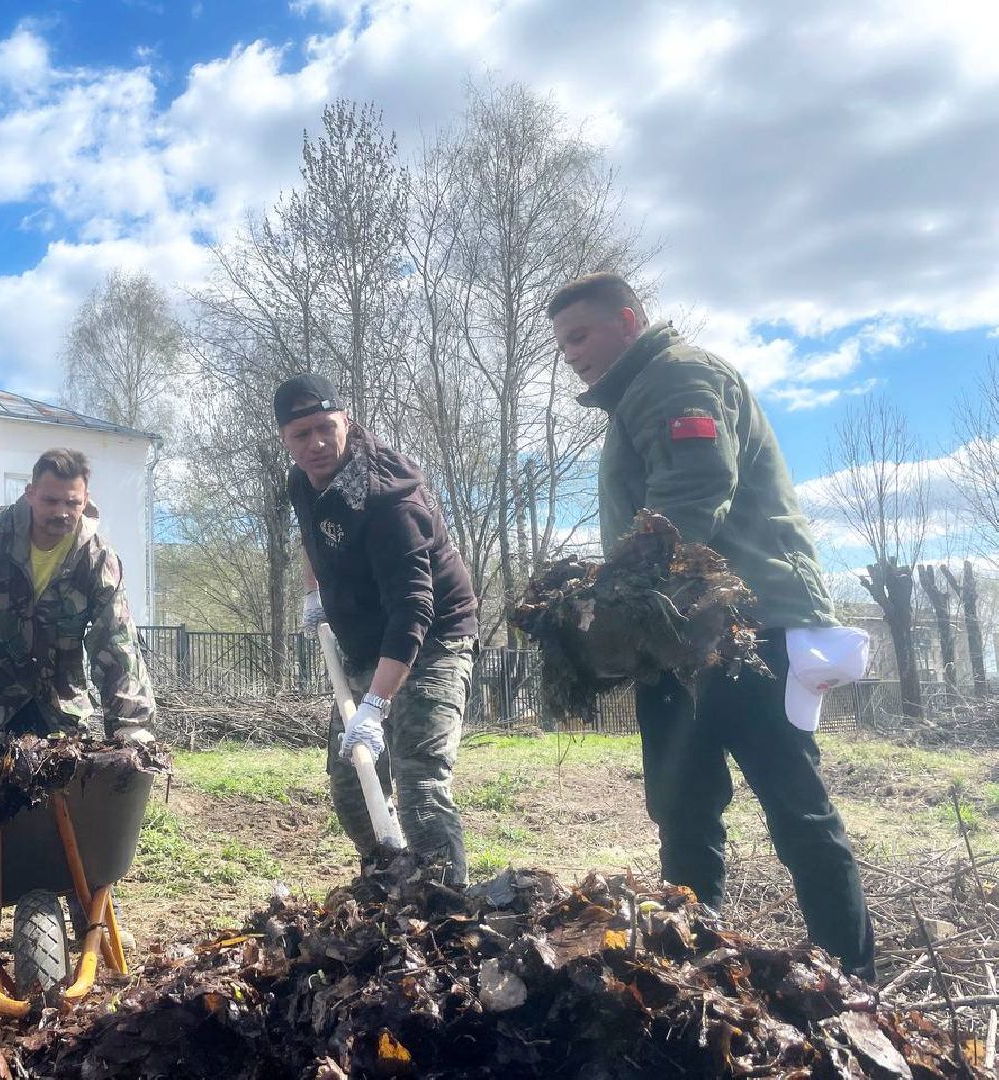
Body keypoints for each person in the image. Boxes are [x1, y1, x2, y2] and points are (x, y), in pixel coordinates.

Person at [548, 271, 875, 978]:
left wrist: (617, 601)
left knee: (795, 810)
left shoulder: (678, 377)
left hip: (740, 632)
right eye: (562, 343)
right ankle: (701, 979)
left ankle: (854, 986)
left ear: (627, 321)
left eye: (580, 335)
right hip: (678, 640)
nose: (569, 353)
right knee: (686, 812)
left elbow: (691, 498)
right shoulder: (638, 395)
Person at [0, 447, 156, 942]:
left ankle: (88, 915)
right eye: (50, 500)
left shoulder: (96, 557)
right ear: (30, 494)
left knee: (76, 800)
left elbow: (116, 638)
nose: (60, 513)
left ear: (85, 500)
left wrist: (130, 720)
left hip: (58, 693)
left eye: (71, 503)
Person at [277, 373, 478, 886]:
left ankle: (442, 908)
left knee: (419, 784)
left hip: (432, 640)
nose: (317, 444)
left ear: (347, 421)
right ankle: (386, 879)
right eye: (302, 435)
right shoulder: (303, 480)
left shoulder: (390, 502)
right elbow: (312, 532)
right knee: (350, 788)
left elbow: (414, 608)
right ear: (285, 439)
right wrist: (313, 591)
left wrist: (376, 706)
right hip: (366, 643)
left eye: (326, 427)